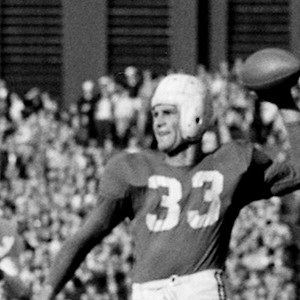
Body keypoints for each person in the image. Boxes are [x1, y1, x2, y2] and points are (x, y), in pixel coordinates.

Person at [35, 58, 300, 299]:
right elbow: (84, 238)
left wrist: (285, 103)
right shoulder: (132, 169)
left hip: (200, 288)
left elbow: (298, 171)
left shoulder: (230, 162)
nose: (158, 122)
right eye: (155, 114)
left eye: (168, 113)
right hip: (147, 292)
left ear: (194, 112)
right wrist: (46, 292)